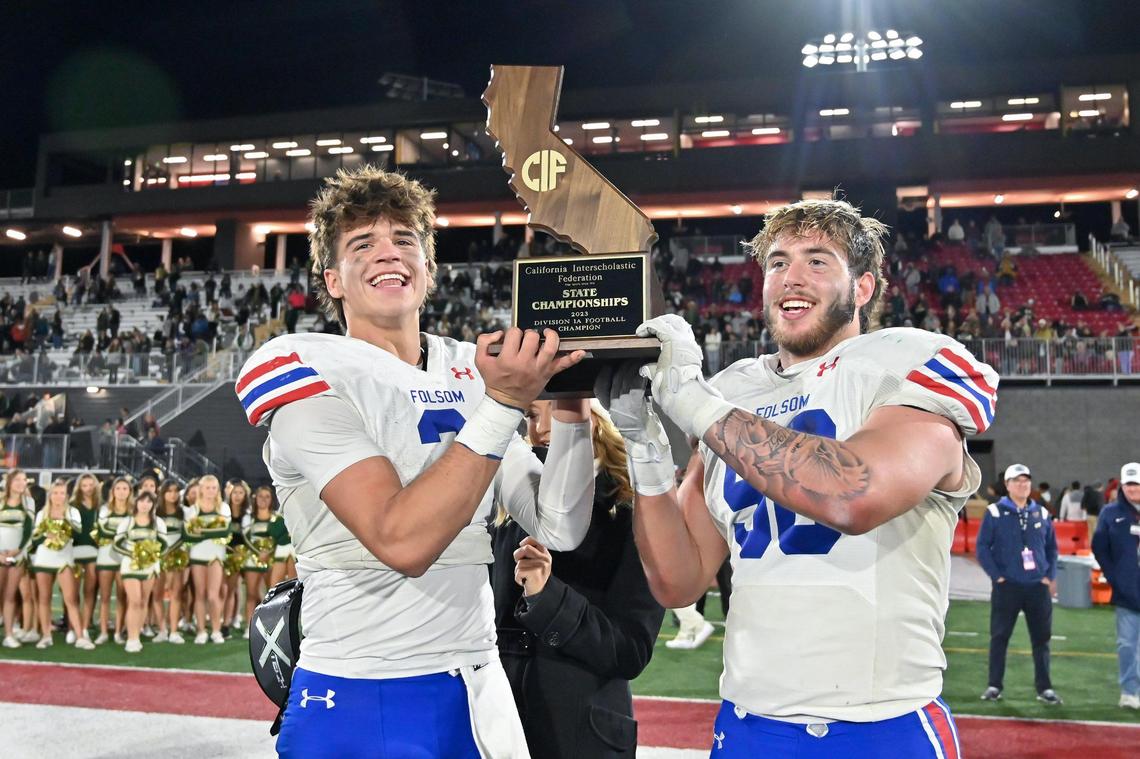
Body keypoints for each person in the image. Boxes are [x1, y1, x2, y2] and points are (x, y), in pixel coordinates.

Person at [598, 198, 993, 756]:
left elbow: (856, 493)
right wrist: (644, 449)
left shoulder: (906, 360)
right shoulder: (733, 391)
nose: (791, 277)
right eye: (778, 262)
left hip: (880, 727)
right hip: (748, 723)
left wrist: (692, 401)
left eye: (818, 260)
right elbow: (678, 580)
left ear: (863, 287)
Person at [236, 166, 595, 758]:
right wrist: (504, 401)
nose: (389, 253)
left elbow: (560, 526)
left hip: (477, 679)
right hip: (363, 679)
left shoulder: (469, 367)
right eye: (363, 244)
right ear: (334, 280)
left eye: (405, 240)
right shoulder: (311, 368)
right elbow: (400, 541)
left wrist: (574, 413)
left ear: (429, 270)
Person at [491, 400, 664, 758]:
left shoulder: (632, 510)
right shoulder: (506, 511)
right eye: (528, 419)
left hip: (581, 733)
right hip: (503, 726)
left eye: (546, 414)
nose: (536, 432)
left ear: (591, 418)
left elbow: (630, 651)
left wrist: (547, 598)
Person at [976, 464, 1062, 705]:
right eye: (1017, 481)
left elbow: (1052, 548)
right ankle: (994, 685)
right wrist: (997, 576)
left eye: (1026, 480)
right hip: (1008, 587)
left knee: (1041, 639)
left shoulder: (1041, 513)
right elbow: (982, 547)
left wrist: (1049, 576)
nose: (1022, 484)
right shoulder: (994, 512)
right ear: (1008, 485)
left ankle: (1044, 688)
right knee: (999, 637)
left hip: (1037, 587)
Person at [1091, 462, 1140, 710]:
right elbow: (1099, 548)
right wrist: (1115, 578)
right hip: (1128, 592)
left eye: (1137, 483)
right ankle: (1130, 691)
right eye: (1129, 484)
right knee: (1128, 644)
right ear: (1122, 485)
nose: (1134, 488)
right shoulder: (1111, 513)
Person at [29, 480, 93, 649]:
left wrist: (65, 524)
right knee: (44, 598)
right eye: (55, 493)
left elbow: (79, 535)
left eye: (62, 493)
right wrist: (46, 536)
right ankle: (46, 636)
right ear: (50, 495)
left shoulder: (72, 512)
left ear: (67, 495)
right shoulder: (42, 513)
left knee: (71, 599)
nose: (58, 496)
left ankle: (80, 636)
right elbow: (35, 539)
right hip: (44, 558)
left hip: (64, 559)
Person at [113, 490, 167, 652]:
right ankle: (131, 638)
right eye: (142, 501)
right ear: (136, 502)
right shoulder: (128, 522)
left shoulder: (158, 523)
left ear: (153, 505)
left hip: (150, 567)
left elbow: (164, 545)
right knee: (134, 600)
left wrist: (152, 555)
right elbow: (116, 544)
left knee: (143, 601)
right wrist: (133, 554)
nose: (145, 505)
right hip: (130, 565)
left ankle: (137, 634)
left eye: (149, 502)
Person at [183, 474, 231, 644]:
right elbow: (188, 535)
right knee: (199, 595)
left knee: (213, 595)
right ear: (201, 489)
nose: (211, 491)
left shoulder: (223, 508)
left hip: (216, 556)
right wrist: (211, 530)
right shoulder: (192, 510)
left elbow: (225, 531)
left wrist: (201, 531)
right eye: (207, 487)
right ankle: (201, 631)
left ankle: (216, 630)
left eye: (214, 488)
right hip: (197, 556)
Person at [94, 476, 133, 645]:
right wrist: (122, 534)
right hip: (106, 555)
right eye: (118, 489)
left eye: (125, 489)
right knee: (104, 596)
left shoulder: (133, 511)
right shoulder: (105, 510)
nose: (122, 492)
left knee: (122, 596)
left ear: (130, 492)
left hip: (124, 557)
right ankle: (103, 631)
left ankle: (118, 631)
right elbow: (102, 531)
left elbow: (133, 533)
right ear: (113, 491)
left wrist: (116, 534)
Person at [1, 470, 35, 648]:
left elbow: (29, 530)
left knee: (10, 596)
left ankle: (8, 634)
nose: (21, 483)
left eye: (24, 480)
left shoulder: (28, 502)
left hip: (18, 555)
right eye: (17, 480)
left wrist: (17, 550)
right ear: (9, 482)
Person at [68, 472, 102, 641]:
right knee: (72, 592)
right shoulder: (72, 505)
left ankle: (85, 626)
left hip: (94, 553)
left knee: (89, 591)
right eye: (84, 485)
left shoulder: (100, 505)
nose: (88, 488)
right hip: (74, 552)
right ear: (79, 487)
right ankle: (71, 627)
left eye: (91, 485)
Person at [155, 479, 187, 643]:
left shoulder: (183, 512)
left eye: (175, 491)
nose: (173, 494)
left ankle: (174, 631)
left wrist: (171, 551)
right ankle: (162, 630)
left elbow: (185, 536)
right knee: (157, 594)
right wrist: (161, 552)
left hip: (176, 557)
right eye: (169, 491)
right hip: (158, 558)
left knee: (175, 594)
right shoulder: (155, 512)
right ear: (163, 493)